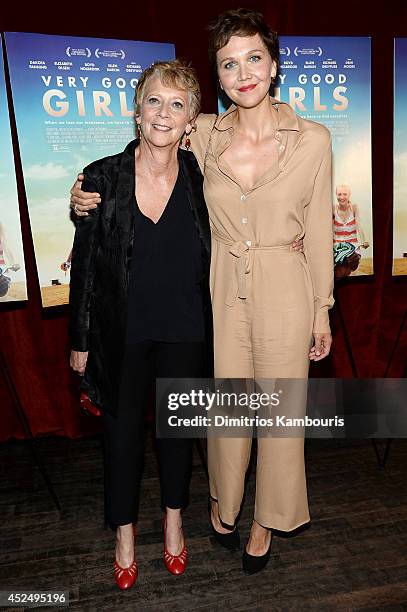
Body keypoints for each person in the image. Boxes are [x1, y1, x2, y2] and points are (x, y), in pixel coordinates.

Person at [70, 8, 332, 576]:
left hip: (274, 286)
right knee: (224, 416)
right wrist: (81, 195)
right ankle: (222, 507)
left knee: (276, 415)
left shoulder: (309, 141)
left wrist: (322, 309)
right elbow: (96, 247)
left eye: (254, 59)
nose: (244, 73)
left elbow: (316, 231)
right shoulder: (198, 136)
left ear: (275, 64)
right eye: (229, 64)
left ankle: (264, 521)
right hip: (212, 297)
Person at [69, 59, 214, 590]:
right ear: (136, 110)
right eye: (154, 100)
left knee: (179, 434)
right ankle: (124, 532)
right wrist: (80, 342)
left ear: (190, 119)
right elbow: (84, 265)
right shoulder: (102, 177)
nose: (164, 113)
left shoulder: (202, 176)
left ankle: (174, 520)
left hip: (187, 329)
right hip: (120, 333)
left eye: (177, 104)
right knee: (122, 438)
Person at [333, 184, 369, 278]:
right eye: (339, 194)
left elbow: (359, 226)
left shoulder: (354, 208)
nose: (342, 197)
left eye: (345, 194)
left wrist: (364, 240)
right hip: (338, 248)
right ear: (336, 195)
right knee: (339, 268)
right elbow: (328, 228)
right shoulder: (333, 208)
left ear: (349, 195)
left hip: (353, 248)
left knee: (351, 262)